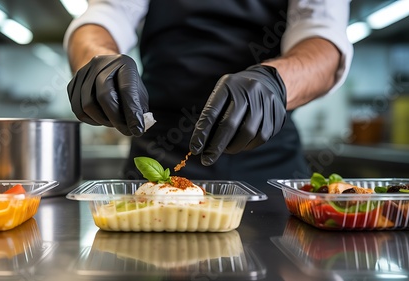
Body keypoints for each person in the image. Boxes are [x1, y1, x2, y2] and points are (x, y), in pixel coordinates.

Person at [64, 0, 353, 187]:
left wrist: (276, 81)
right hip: (159, 155)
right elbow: (106, 13)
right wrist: (96, 58)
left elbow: (323, 35)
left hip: (269, 162)